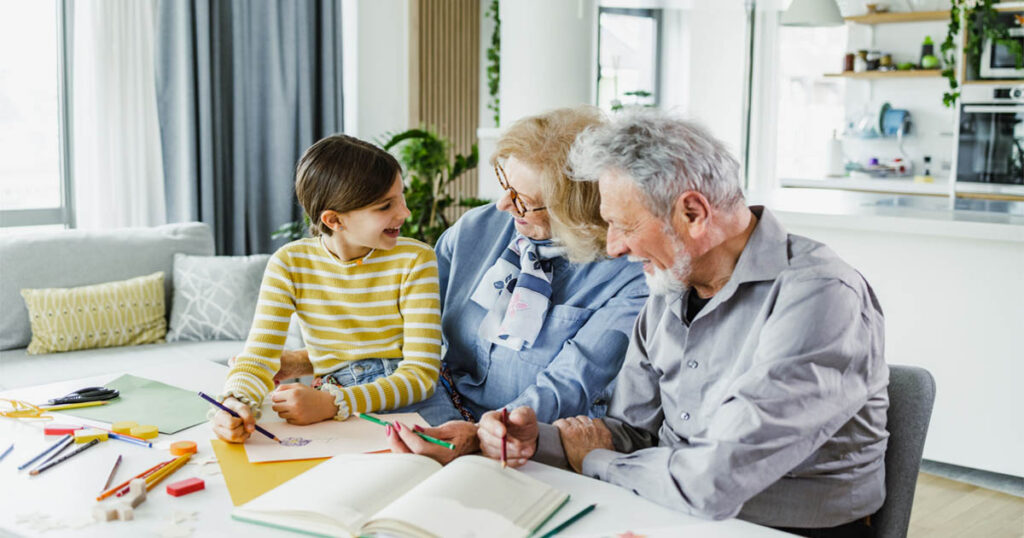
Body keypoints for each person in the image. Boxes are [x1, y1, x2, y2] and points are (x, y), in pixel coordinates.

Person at [477, 111, 889, 538]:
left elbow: (714, 479)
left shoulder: (821, 295)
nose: (614, 247)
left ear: (692, 213)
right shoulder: (670, 285)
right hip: (665, 509)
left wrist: (595, 461)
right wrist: (537, 441)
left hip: (779, 528)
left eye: (622, 225)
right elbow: (631, 432)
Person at [382, 106, 649, 462]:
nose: (503, 204)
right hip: (432, 421)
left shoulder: (629, 276)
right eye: (505, 183)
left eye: (524, 201)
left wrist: (484, 435)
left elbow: (571, 383)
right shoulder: (475, 229)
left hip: (526, 445)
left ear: (575, 210)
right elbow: (409, 327)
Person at [211, 134, 451, 443]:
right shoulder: (289, 264)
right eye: (384, 206)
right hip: (331, 400)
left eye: (401, 196)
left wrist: (336, 402)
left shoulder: (415, 259)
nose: (404, 213)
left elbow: (421, 375)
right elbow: (258, 358)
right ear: (334, 220)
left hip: (405, 399)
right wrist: (234, 403)